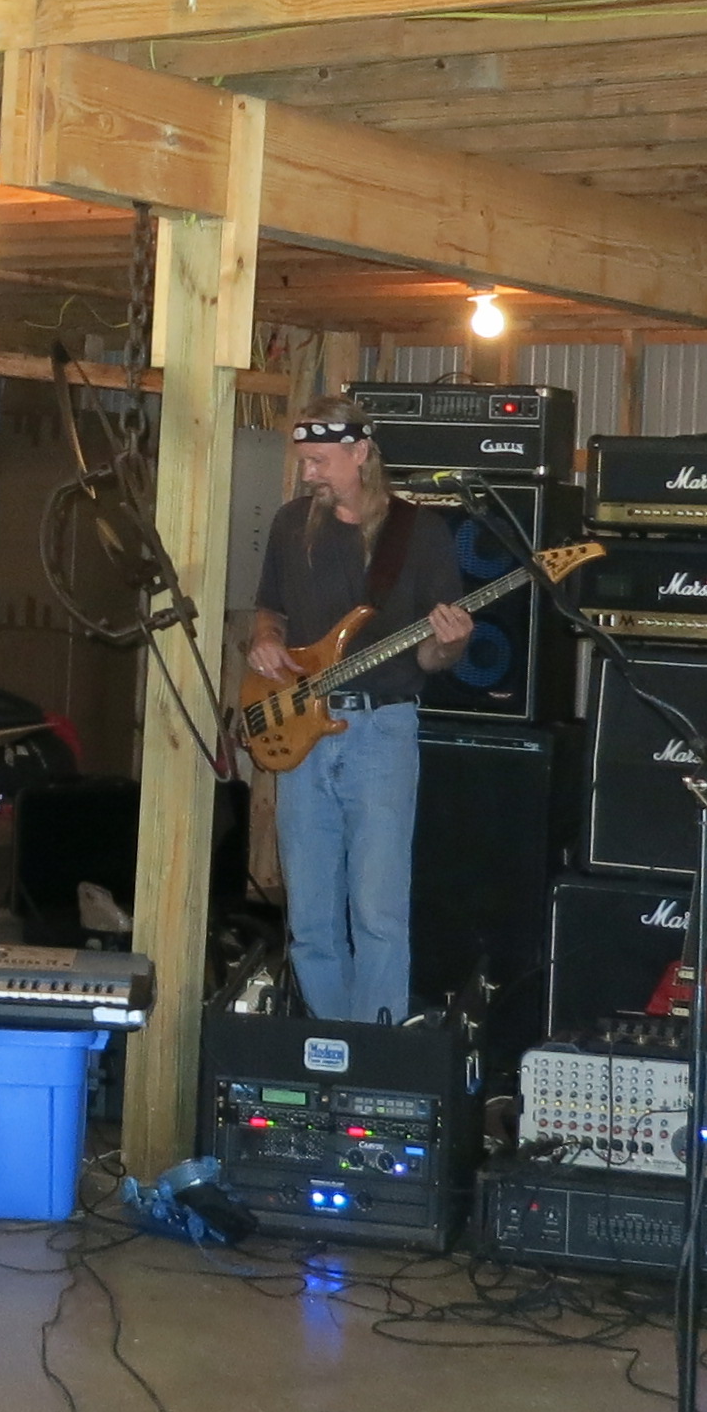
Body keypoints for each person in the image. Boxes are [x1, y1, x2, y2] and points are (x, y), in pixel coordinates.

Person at [243, 395, 472, 1023]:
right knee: (311, 915)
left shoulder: (419, 532)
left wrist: (451, 643)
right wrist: (264, 641)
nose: (307, 473)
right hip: (302, 728)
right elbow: (270, 610)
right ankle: (328, 1046)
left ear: (361, 452)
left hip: (382, 728)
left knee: (377, 910)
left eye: (319, 461)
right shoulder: (292, 524)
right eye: (304, 461)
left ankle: (376, 1048)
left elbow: (433, 659)